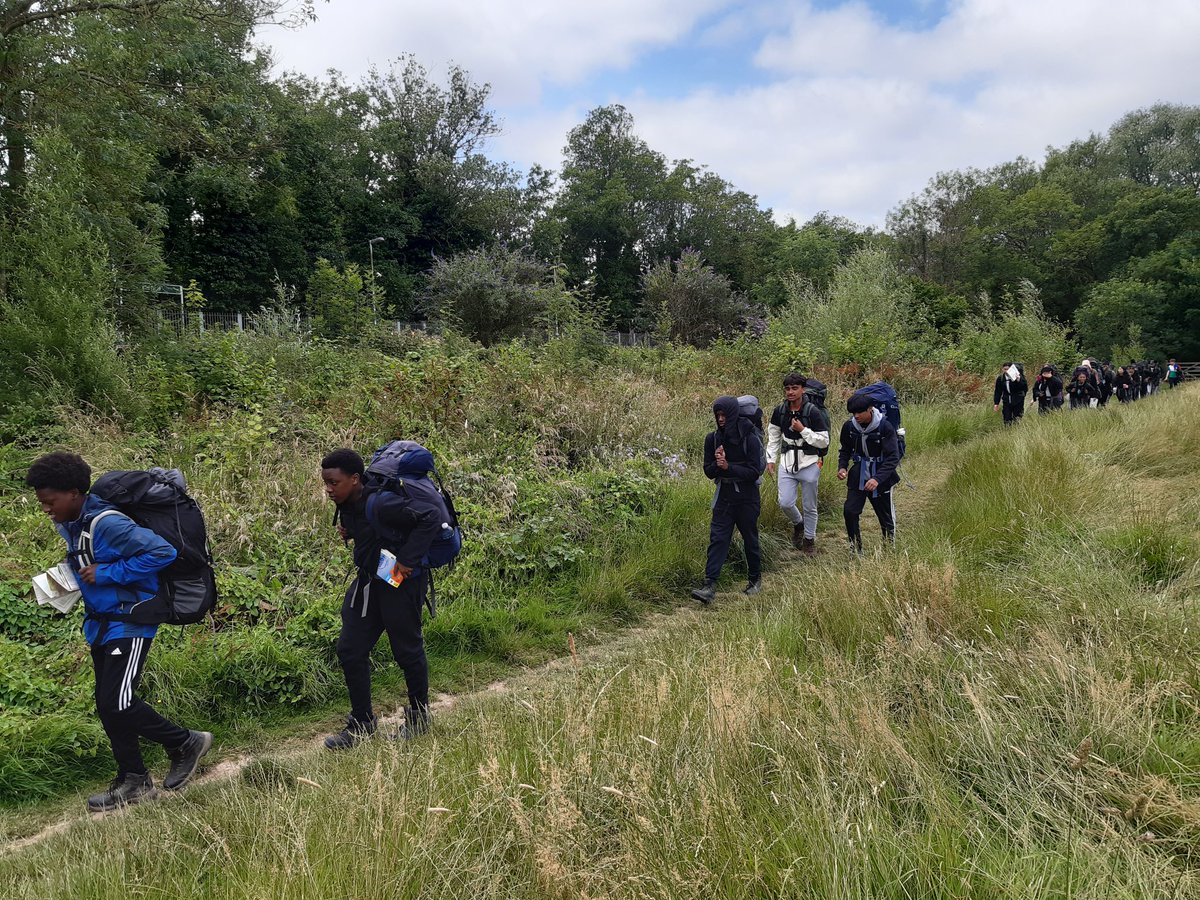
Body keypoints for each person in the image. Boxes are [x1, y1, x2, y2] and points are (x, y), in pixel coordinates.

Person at [25, 452, 212, 812]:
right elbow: (92, 560)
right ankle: (134, 780)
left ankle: (186, 743)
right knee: (108, 706)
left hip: (130, 620)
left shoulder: (107, 522)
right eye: (42, 503)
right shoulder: (76, 521)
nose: (46, 509)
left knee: (118, 701)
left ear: (75, 492)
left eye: (50, 502)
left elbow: (163, 552)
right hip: (102, 622)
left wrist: (108, 575)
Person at [321, 448, 440, 749]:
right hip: (371, 580)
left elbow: (430, 518)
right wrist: (352, 531)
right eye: (326, 482)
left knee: (407, 650)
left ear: (355, 479)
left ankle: (419, 717)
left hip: (401, 581)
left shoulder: (383, 502)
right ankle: (362, 724)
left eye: (334, 482)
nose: (329, 489)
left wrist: (408, 559)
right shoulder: (349, 500)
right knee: (350, 649)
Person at [692, 396, 765, 604]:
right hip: (724, 496)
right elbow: (708, 471)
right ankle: (709, 586)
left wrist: (727, 467)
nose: (721, 419)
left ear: (733, 414)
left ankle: (754, 580)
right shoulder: (712, 439)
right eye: (718, 415)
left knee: (750, 538)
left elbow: (754, 471)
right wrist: (717, 464)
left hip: (747, 497)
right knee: (718, 539)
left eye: (724, 415)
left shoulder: (750, 437)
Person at [765, 374, 830, 557]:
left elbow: (824, 441)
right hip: (787, 461)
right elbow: (774, 435)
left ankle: (809, 541)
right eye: (787, 389)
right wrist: (771, 459)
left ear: (803, 389)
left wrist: (803, 431)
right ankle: (798, 523)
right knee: (784, 502)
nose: (790, 392)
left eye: (795, 388)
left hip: (809, 462)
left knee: (810, 506)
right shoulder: (780, 411)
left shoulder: (813, 412)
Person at [837, 394, 901, 553]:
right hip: (858, 474)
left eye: (860, 412)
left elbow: (893, 457)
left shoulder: (884, 427)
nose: (856, 416)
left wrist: (877, 479)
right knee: (850, 511)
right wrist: (842, 467)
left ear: (870, 409)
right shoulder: (849, 427)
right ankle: (855, 549)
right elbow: (845, 450)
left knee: (885, 515)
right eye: (853, 413)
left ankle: (889, 548)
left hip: (882, 475)